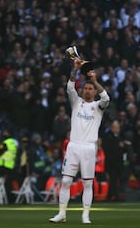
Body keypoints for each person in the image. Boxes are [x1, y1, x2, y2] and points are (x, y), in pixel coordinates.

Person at [50, 57, 110, 224]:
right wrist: (75, 69)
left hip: (89, 148)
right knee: (66, 180)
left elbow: (106, 99)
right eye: (86, 88)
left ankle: (85, 215)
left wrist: (94, 80)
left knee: (88, 184)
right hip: (73, 146)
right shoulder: (76, 103)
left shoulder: (98, 107)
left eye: (90, 89)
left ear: (94, 91)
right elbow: (69, 87)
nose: (88, 90)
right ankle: (62, 213)